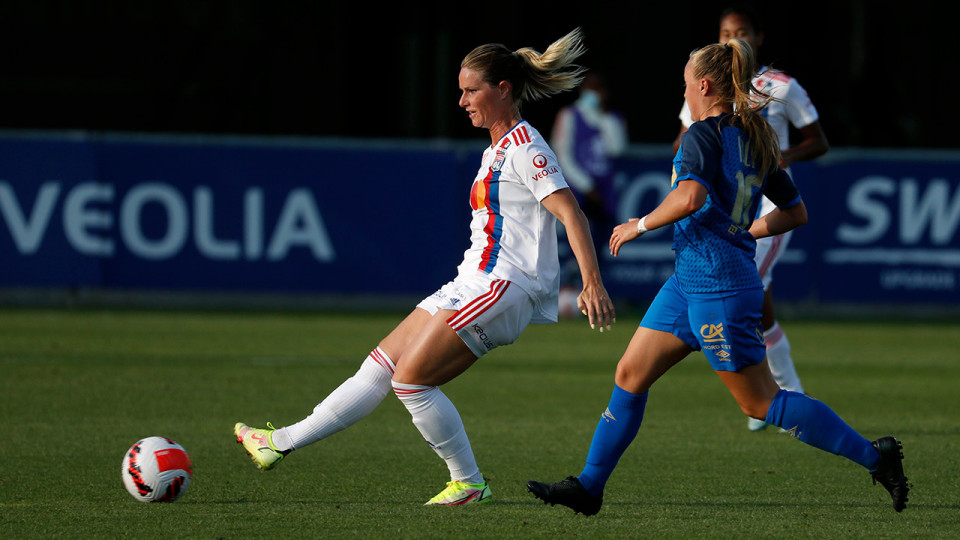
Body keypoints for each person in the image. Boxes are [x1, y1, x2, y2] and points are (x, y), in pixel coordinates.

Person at [234, 28, 615, 506]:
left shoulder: (525, 147)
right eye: (460, 89)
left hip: (504, 285)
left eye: (471, 90)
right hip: (470, 281)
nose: (462, 101)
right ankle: (278, 443)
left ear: (502, 90)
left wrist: (592, 282)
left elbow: (571, 211)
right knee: (379, 368)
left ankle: (469, 483)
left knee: (410, 381)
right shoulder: (496, 149)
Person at [526, 39, 908, 516]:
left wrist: (637, 225)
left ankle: (878, 458)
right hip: (690, 282)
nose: (683, 90)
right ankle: (589, 487)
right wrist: (745, 229)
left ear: (703, 85)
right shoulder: (754, 136)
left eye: (686, 82)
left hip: (719, 288)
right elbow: (795, 213)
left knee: (761, 403)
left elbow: (688, 198)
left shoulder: (702, 134)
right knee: (630, 374)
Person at [672, 6, 830, 431]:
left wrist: (782, 157)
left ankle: (772, 401)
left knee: (741, 292)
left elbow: (819, 141)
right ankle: (785, 395)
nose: (731, 39)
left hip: (766, 204)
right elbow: (688, 138)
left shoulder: (781, 87)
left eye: (740, 32)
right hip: (726, 206)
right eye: (725, 32)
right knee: (761, 307)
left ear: (759, 37)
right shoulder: (708, 86)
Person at [551, 71, 628, 316]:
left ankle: (592, 298)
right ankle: (568, 295)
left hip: (605, 193)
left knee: (600, 243)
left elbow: (617, 148)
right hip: (579, 192)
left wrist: (603, 117)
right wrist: (586, 186)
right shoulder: (569, 116)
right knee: (576, 243)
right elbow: (562, 154)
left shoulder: (612, 118)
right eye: (591, 88)